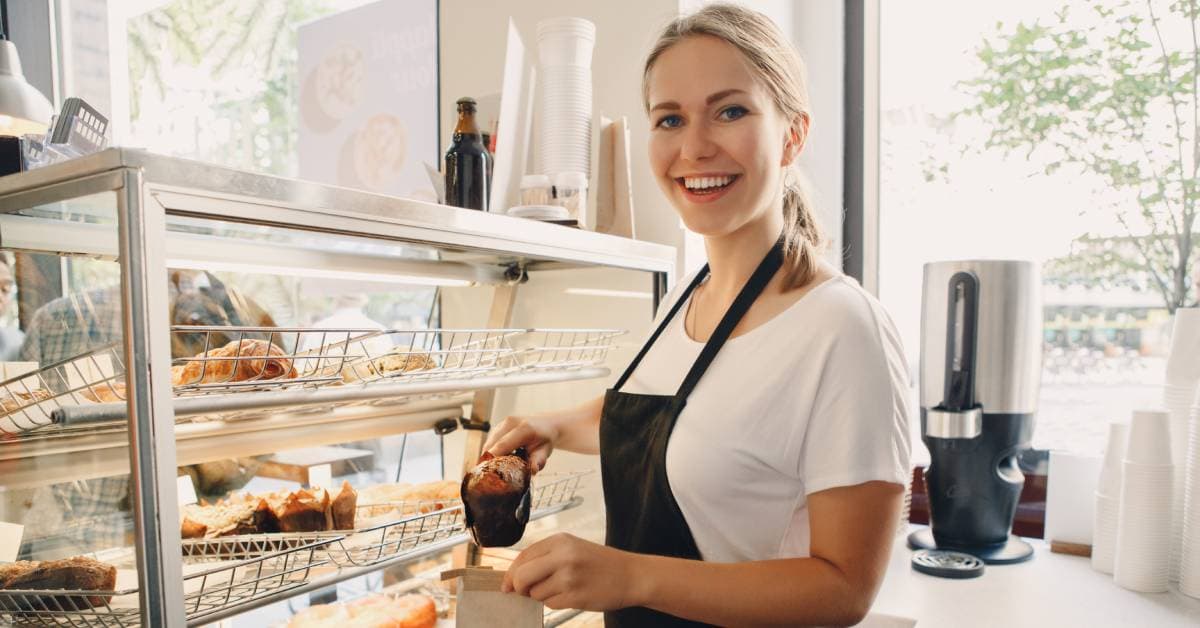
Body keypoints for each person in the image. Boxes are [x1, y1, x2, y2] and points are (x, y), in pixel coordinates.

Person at [482, 4, 911, 626]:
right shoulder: (685, 296)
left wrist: (629, 575)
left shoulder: (842, 329)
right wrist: (550, 425)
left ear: (793, 134)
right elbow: (674, 419)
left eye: (730, 111)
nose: (694, 147)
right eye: (670, 119)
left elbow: (844, 590)